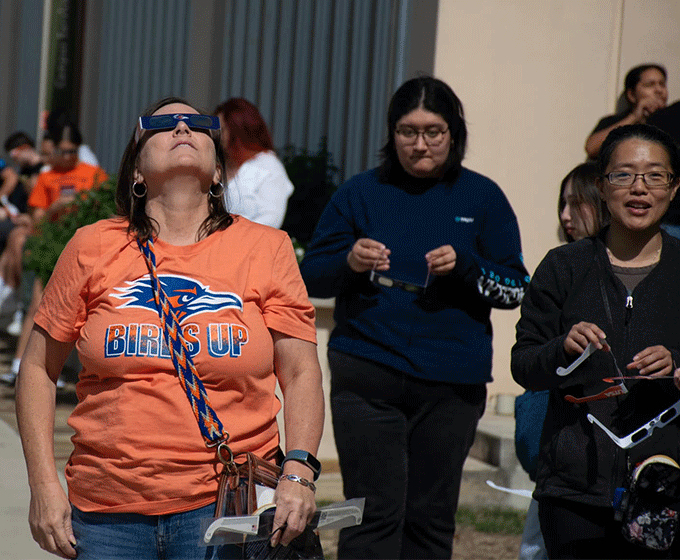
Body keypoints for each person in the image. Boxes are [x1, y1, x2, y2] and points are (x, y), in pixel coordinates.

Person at [15, 97, 324, 560]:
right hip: (105, 515)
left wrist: (299, 474)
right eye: (162, 124)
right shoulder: (93, 246)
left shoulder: (266, 248)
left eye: (198, 123)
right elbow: (38, 369)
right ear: (136, 170)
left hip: (222, 511)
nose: (181, 126)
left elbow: (301, 373)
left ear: (219, 171)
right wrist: (43, 486)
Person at [300, 76, 529, 560]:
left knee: (430, 517)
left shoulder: (482, 198)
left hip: (450, 381)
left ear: (454, 134)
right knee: (370, 512)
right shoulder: (361, 192)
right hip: (368, 372)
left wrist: (467, 267)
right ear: (391, 133)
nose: (420, 144)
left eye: (433, 131)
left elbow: (514, 289)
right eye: (408, 131)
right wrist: (350, 261)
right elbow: (310, 277)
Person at [512, 123, 680, 559]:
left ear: (674, 187)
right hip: (573, 486)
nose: (639, 188)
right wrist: (562, 347)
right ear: (602, 188)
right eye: (623, 175)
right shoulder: (563, 266)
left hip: (667, 481)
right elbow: (524, 363)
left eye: (655, 175)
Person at [516, 161, 606, 560]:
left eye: (578, 203)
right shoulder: (558, 267)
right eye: (562, 204)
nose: (566, 216)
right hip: (556, 469)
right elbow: (525, 361)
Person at [0, 123, 106, 387]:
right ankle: (24, 367)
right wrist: (55, 208)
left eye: (73, 151)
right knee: (41, 306)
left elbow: (105, 211)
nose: (68, 156)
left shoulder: (94, 174)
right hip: (54, 247)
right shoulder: (47, 177)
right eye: (62, 151)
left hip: (88, 247)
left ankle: (88, 370)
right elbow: (36, 222)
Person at [214, 98, 294, 228]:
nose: (217, 136)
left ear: (239, 132)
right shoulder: (219, 163)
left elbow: (270, 221)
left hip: (248, 245)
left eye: (222, 130)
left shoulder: (268, 167)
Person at [585, 64, 667, 160]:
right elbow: (592, 148)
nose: (659, 90)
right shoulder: (614, 121)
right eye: (649, 85)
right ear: (631, 94)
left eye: (662, 84)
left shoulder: (673, 120)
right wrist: (634, 117)